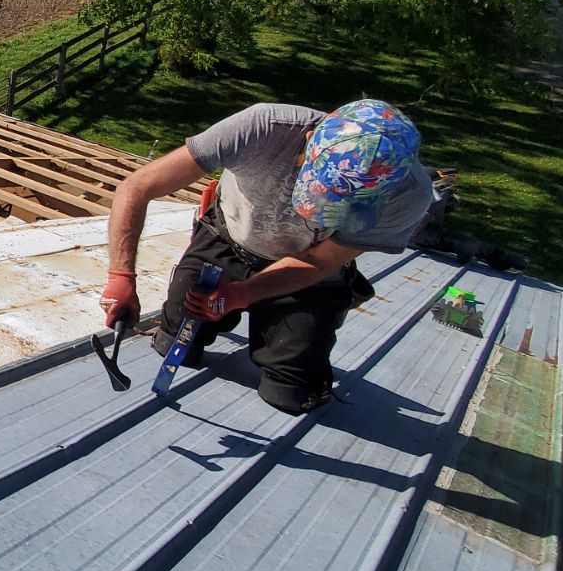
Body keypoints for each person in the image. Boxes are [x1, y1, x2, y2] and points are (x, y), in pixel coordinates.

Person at [100, 100, 432, 414]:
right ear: (307, 142)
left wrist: (242, 294)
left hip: (307, 272)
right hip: (227, 240)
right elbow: (137, 187)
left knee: (290, 391)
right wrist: (121, 277)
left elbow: (320, 262)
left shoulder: (409, 196)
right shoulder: (261, 127)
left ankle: (289, 351)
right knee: (175, 343)